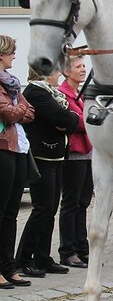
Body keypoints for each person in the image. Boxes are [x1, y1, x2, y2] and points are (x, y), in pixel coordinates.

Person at [15, 68, 78, 278]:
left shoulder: (50, 92)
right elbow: (63, 117)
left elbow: (70, 121)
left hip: (57, 155)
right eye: (55, 70)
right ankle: (23, 258)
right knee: (42, 209)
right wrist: (66, 120)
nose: (59, 74)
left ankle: (42, 257)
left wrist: (67, 121)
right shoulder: (36, 92)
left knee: (50, 209)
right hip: (42, 156)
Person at [0, 35, 36, 288]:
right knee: (1, 212)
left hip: (19, 149)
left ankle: (8, 266)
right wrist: (19, 111)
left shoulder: (12, 84)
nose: (14, 56)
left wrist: (18, 111)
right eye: (11, 52)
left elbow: (29, 112)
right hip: (3, 148)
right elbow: (8, 112)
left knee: (12, 213)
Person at [58, 55, 92, 268]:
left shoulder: (82, 94)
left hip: (87, 153)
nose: (82, 69)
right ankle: (67, 250)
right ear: (66, 71)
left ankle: (82, 247)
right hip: (74, 154)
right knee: (71, 203)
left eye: (83, 65)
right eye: (78, 66)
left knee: (83, 203)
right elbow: (79, 121)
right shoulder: (64, 94)